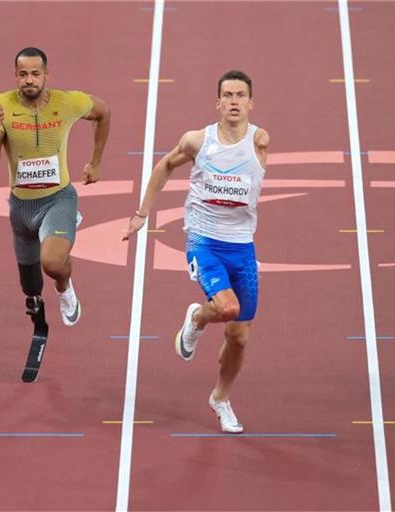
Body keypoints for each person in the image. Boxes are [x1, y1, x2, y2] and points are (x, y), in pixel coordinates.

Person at [123, 70, 269, 433]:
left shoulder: (260, 141)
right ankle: (198, 318)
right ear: (217, 102)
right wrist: (143, 212)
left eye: (240, 95)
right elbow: (164, 165)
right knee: (228, 308)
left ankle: (221, 399)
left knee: (239, 336)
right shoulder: (197, 141)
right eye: (227, 95)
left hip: (243, 247)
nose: (234, 101)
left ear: (250, 103)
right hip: (203, 241)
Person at [0, 47, 110, 326]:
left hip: (57, 200)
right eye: (23, 74)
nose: (29, 80)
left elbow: (103, 112)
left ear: (46, 75)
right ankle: (40, 298)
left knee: (52, 262)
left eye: (35, 74)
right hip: (21, 207)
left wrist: (95, 162)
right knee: (30, 285)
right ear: (15, 76)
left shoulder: (68, 102)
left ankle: (65, 286)